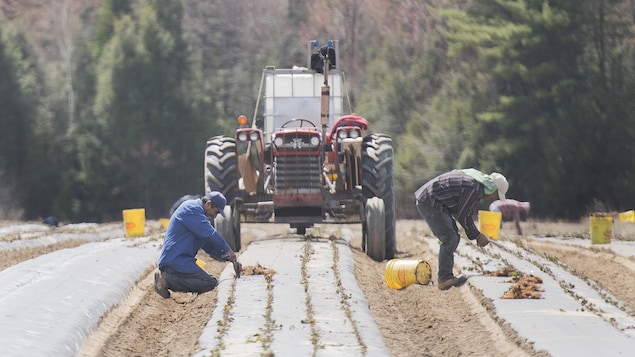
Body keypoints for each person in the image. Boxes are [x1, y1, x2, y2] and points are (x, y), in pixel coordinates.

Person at [414, 168, 508, 290]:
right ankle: (444, 278)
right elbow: (463, 215)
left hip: (433, 200)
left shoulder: (473, 181)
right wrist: (477, 235)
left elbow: (463, 212)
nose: (493, 198)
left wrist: (475, 233)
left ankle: (446, 276)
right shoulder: (473, 188)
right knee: (450, 237)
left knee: (453, 235)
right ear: (492, 188)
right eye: (496, 194)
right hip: (430, 201)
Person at [154, 191, 238, 299]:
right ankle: (166, 281)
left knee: (210, 282)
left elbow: (208, 246)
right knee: (209, 283)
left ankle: (168, 279)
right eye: (216, 212)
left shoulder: (199, 216)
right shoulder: (191, 209)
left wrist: (225, 257)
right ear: (208, 204)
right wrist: (228, 250)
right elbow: (211, 233)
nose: (215, 216)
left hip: (182, 260)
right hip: (175, 260)